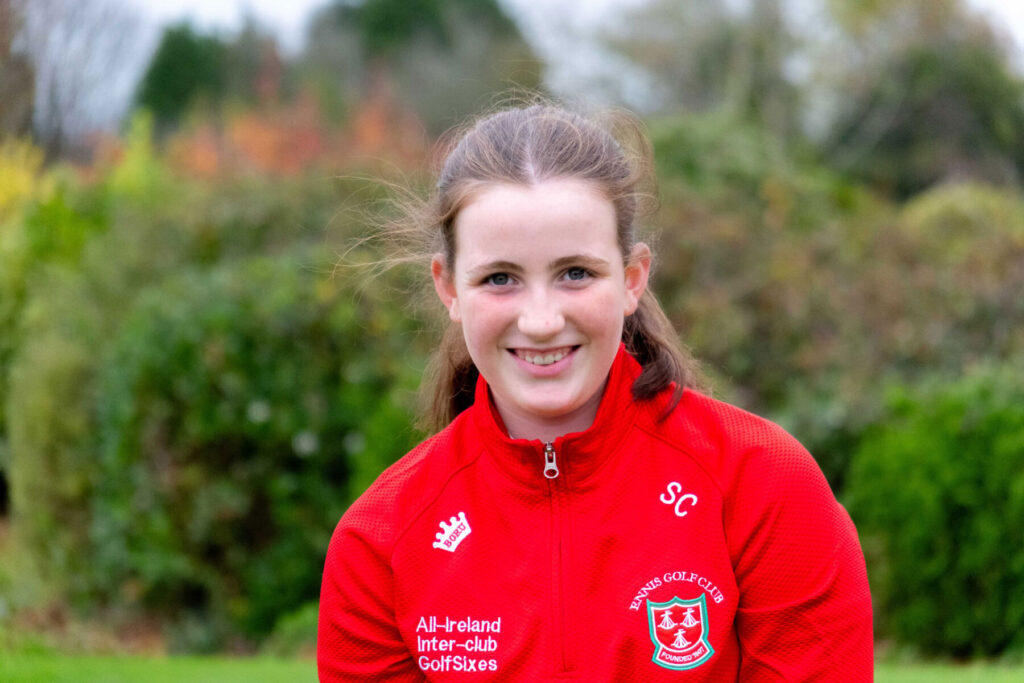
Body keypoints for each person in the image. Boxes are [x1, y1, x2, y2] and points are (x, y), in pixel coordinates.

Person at [317, 102, 873, 681]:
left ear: (632, 278)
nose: (540, 320)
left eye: (575, 273)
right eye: (499, 278)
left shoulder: (764, 485)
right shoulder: (379, 542)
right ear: (449, 286)